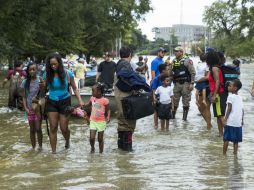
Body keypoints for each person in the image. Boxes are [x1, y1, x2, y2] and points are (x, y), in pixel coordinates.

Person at [43, 53, 84, 153]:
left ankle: (67, 140)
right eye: (51, 65)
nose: (53, 66)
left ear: (59, 63)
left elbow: (75, 88)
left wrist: (80, 100)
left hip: (65, 102)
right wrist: (42, 87)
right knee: (53, 127)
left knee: (64, 128)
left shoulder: (68, 73)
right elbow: (43, 89)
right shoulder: (47, 74)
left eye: (55, 64)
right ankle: (53, 152)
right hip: (51, 101)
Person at [114, 46, 150, 151]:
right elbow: (125, 76)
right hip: (124, 96)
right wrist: (139, 84)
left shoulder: (120, 63)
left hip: (121, 95)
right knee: (128, 122)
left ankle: (122, 150)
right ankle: (127, 150)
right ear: (130, 55)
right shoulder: (125, 64)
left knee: (123, 122)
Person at [169, 46, 196, 121]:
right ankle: (173, 117)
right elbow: (170, 73)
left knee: (186, 101)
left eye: (177, 51)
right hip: (176, 84)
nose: (175, 53)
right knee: (174, 101)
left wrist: (192, 84)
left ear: (181, 52)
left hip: (186, 83)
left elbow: (193, 73)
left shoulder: (187, 61)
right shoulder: (173, 61)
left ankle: (184, 119)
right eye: (175, 51)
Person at [21, 62, 43, 150]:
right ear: (28, 71)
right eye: (30, 70)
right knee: (32, 130)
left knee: (38, 128)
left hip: (38, 108)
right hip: (29, 110)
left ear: (37, 70)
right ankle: (33, 148)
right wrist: (26, 108)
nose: (32, 71)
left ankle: (40, 147)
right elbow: (23, 97)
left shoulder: (40, 80)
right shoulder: (25, 82)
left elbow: (43, 94)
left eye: (34, 69)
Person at [206, 51, 227, 136]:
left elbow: (217, 81)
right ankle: (221, 135)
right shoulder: (216, 67)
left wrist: (214, 95)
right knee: (218, 115)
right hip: (218, 93)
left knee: (221, 115)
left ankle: (230, 134)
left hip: (219, 94)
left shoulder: (214, 69)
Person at [86, 83, 110, 153]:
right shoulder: (92, 98)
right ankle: (92, 148)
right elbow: (89, 104)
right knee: (92, 138)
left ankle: (101, 153)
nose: (92, 92)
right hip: (93, 121)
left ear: (99, 92)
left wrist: (108, 117)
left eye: (93, 91)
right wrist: (83, 105)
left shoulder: (105, 100)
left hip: (101, 122)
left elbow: (108, 110)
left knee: (100, 139)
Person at [223, 79, 244, 155]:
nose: (228, 87)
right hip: (238, 123)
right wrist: (242, 120)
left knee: (226, 139)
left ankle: (224, 155)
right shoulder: (240, 97)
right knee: (236, 141)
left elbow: (229, 108)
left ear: (235, 88)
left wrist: (225, 119)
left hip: (230, 122)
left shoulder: (230, 97)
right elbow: (242, 110)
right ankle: (235, 155)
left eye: (230, 86)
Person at [195, 53, 212, 129]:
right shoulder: (207, 65)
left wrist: (198, 80)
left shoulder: (202, 65)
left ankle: (209, 124)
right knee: (204, 107)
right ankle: (209, 124)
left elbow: (207, 77)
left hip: (206, 85)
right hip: (204, 85)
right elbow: (206, 76)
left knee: (204, 107)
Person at [151, 64, 169, 129]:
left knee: (165, 113)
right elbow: (154, 90)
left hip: (165, 98)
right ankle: (156, 126)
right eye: (167, 69)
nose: (168, 71)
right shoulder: (156, 79)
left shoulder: (166, 79)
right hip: (157, 98)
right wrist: (154, 99)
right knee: (156, 112)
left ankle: (165, 128)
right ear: (163, 71)